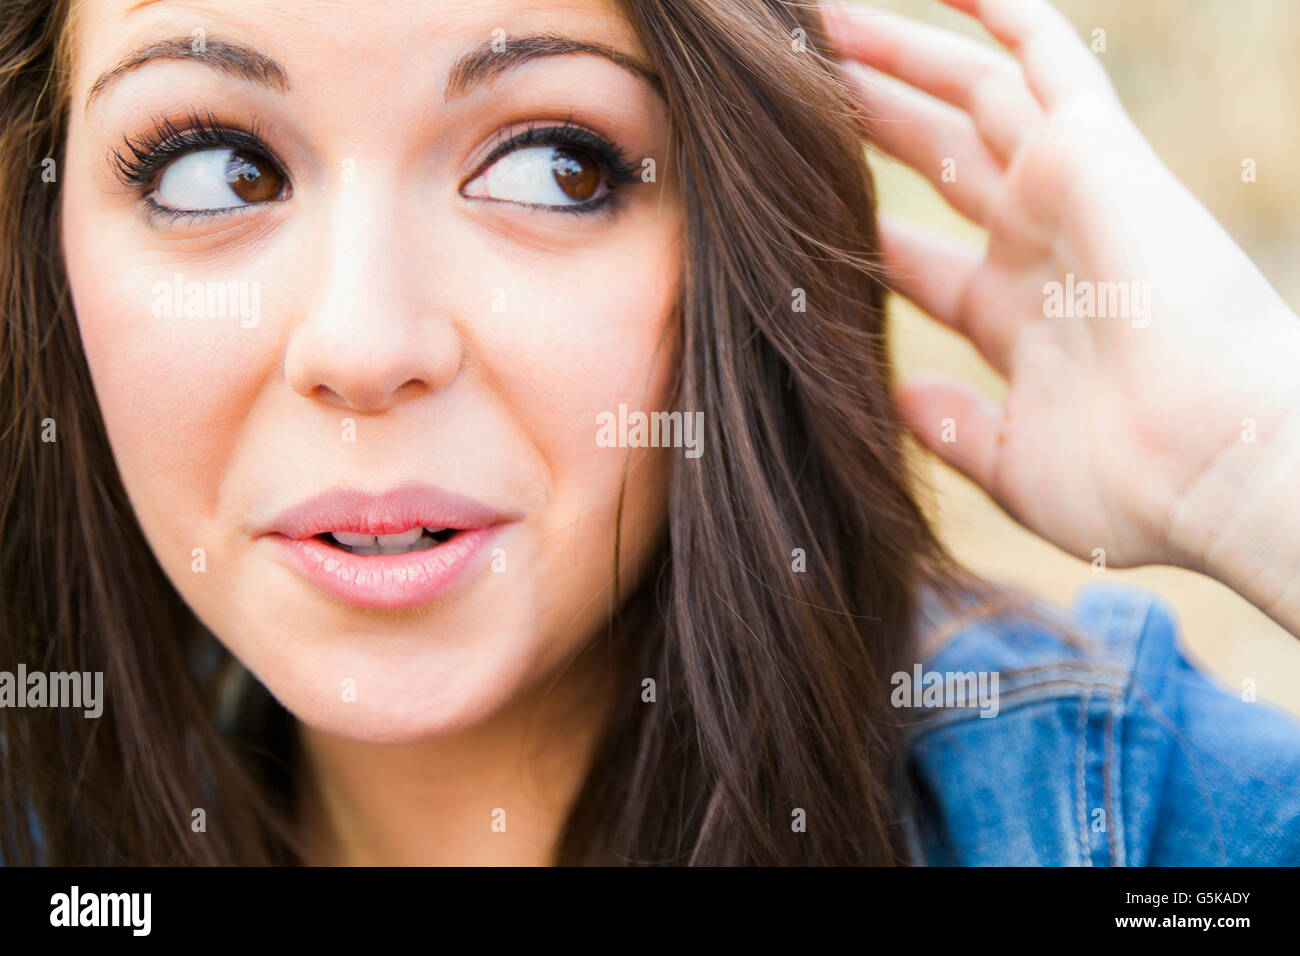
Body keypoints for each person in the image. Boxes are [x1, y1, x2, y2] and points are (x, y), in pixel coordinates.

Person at [0, 0, 1296, 865]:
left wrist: (1261, 471)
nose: (364, 344)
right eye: (213, 169)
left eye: (554, 165)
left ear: (727, 248)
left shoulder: (1097, 818)